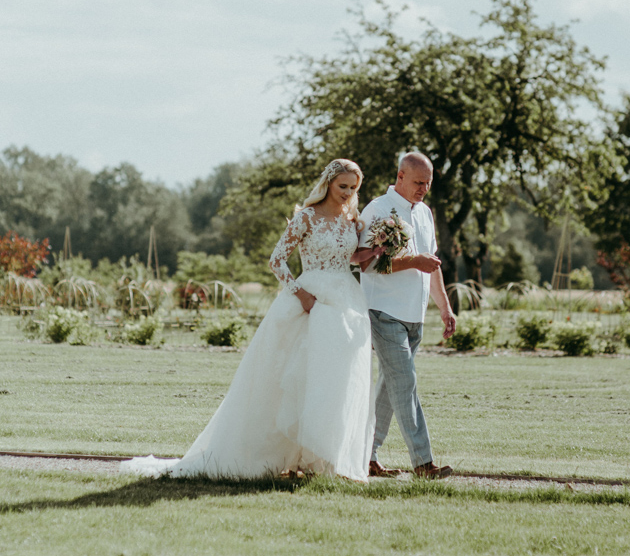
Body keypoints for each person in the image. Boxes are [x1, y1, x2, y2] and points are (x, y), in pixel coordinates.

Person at [121, 159, 380, 482]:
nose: (348, 193)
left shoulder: (351, 220)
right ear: (328, 183)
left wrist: (370, 253)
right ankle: (282, 456)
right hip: (310, 300)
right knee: (296, 377)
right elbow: (277, 261)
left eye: (353, 188)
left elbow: (347, 257)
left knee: (335, 379)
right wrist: (300, 294)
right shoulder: (306, 218)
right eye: (343, 186)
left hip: (346, 303)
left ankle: (323, 461)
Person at [359, 151, 456, 479]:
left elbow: (433, 266)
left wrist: (445, 307)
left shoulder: (425, 213)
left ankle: (366, 456)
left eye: (428, 184)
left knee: (390, 388)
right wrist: (413, 262)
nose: (423, 189)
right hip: (383, 312)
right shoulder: (378, 210)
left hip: (415, 315)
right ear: (400, 176)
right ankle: (423, 463)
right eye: (418, 182)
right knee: (405, 384)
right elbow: (368, 264)